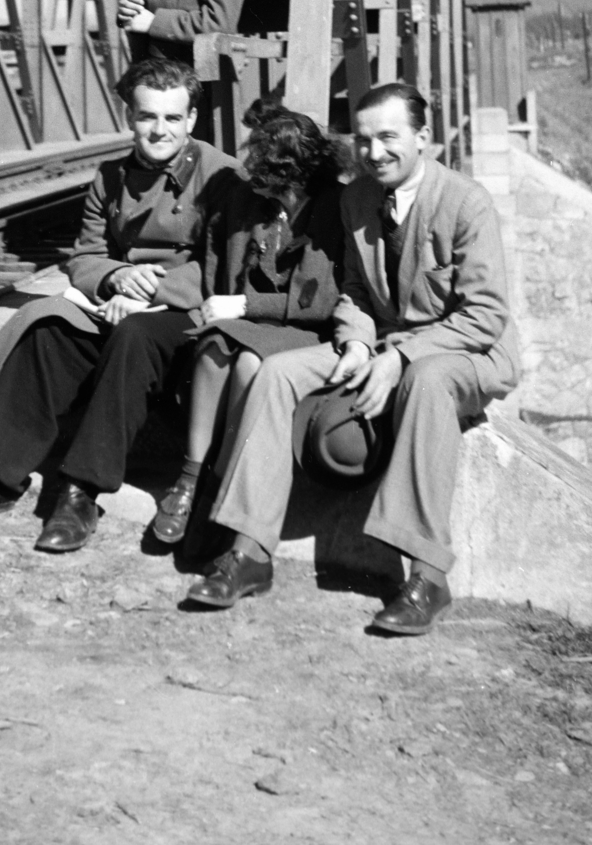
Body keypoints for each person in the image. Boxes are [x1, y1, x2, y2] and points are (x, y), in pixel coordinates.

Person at [184, 82, 520, 633]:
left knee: (427, 382)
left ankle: (427, 576)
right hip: (383, 341)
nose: (375, 153)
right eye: (364, 141)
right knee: (277, 372)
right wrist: (360, 341)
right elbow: (357, 292)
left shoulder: (466, 203)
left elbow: (484, 317)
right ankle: (249, 550)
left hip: (465, 351)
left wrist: (397, 358)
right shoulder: (357, 200)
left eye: (389, 138)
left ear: (423, 138)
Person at [0, 58, 237, 553]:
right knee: (46, 329)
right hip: (118, 297)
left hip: (183, 312)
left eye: (173, 119)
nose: (159, 130)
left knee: (135, 337)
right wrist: (117, 278)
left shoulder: (221, 176)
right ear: (130, 116)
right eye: (148, 117)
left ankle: (81, 492)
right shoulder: (110, 177)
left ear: (191, 120)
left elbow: (220, 268)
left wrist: (149, 293)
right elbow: (85, 256)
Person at [150, 100, 349, 546]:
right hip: (255, 321)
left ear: (294, 177)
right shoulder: (260, 205)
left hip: (302, 327)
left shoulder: (331, 208)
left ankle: (225, 486)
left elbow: (316, 302)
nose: (259, 185)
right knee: (217, 348)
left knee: (247, 365)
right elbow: (220, 265)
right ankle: (190, 477)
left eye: (271, 179)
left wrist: (242, 306)